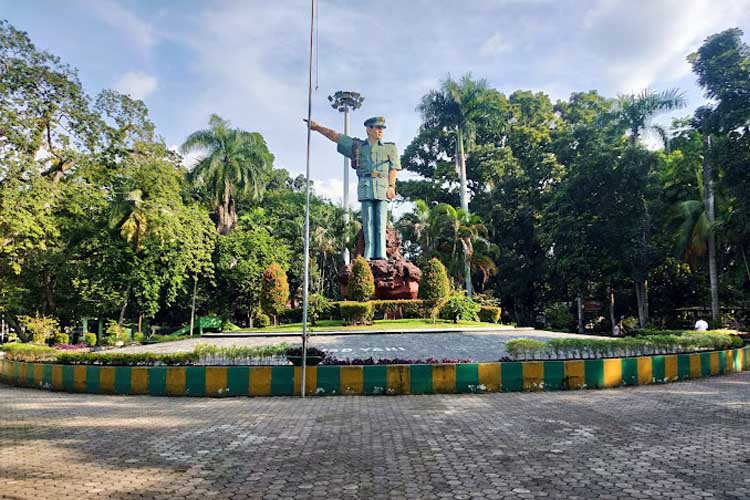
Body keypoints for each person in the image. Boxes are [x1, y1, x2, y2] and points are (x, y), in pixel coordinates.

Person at [305, 116, 399, 260]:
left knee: (381, 220)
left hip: (382, 186)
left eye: (382, 128)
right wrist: (317, 128)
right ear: (369, 129)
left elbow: (393, 169)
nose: (380, 131)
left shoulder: (390, 148)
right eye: (377, 128)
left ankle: (381, 253)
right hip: (366, 185)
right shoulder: (357, 146)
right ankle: (368, 252)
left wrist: (392, 186)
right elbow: (336, 136)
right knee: (368, 221)